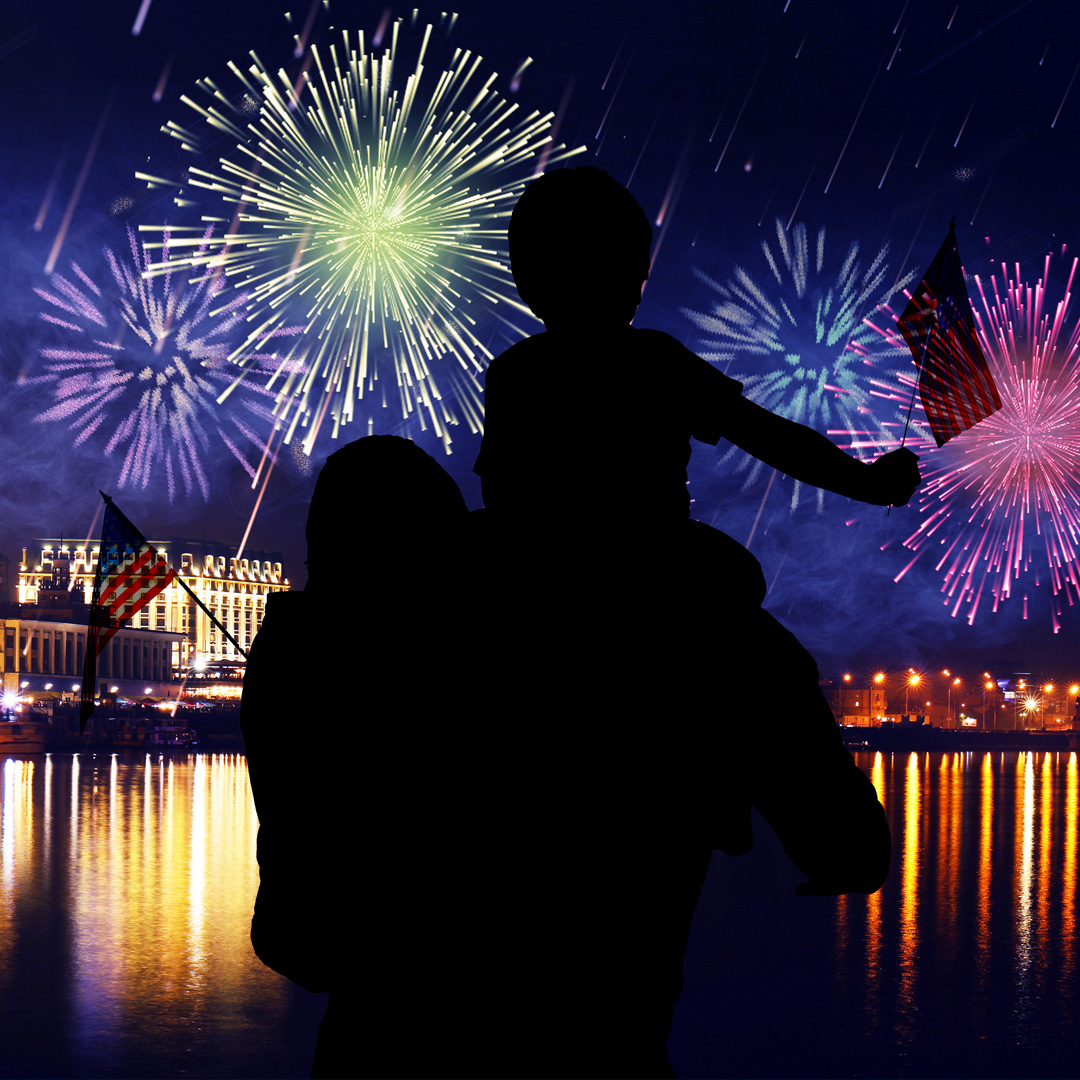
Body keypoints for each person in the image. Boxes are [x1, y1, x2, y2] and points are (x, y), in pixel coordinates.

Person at [464, 165, 921, 1076]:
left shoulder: (512, 374)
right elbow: (768, 436)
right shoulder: (654, 367)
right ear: (630, 272)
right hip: (656, 645)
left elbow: (505, 495)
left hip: (518, 648)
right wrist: (869, 482)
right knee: (635, 997)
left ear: (527, 276)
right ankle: (837, 839)